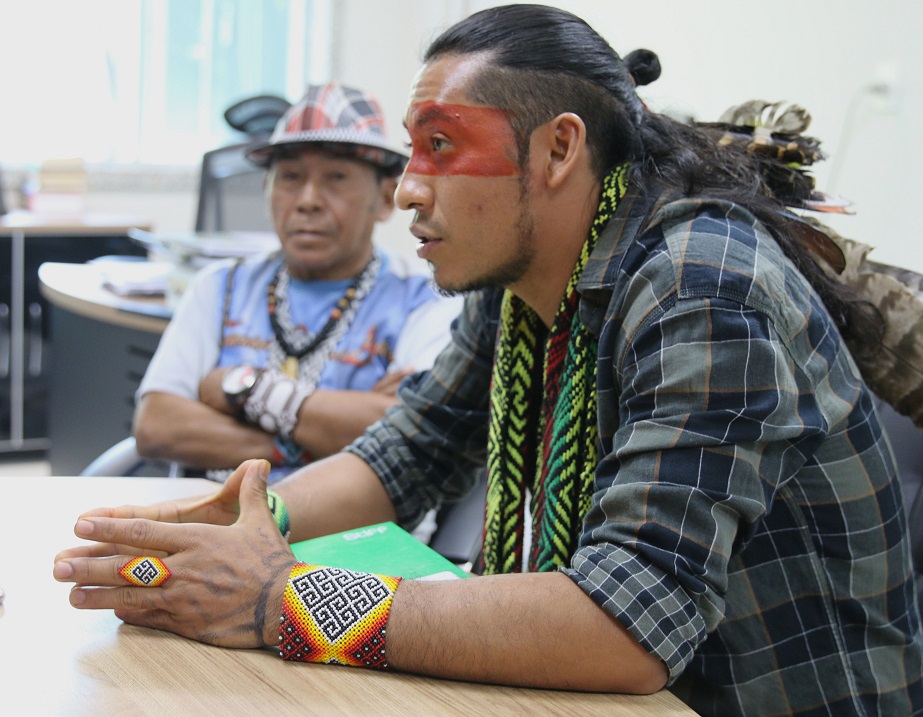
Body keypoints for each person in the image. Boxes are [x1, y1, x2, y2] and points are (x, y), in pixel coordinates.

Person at [53, 5, 923, 716]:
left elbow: (626, 625)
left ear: (557, 150)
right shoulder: (523, 276)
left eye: (439, 145)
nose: (405, 191)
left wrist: (277, 598)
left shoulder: (702, 284)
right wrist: (245, 520)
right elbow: (410, 451)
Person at [131, 81, 462, 487]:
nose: (308, 200)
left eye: (336, 178)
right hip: (209, 522)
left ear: (382, 198)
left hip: (346, 539)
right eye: (290, 177)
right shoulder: (219, 288)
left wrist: (246, 390)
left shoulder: (424, 299)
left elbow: (410, 435)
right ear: (268, 191)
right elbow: (157, 426)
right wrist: (308, 440)